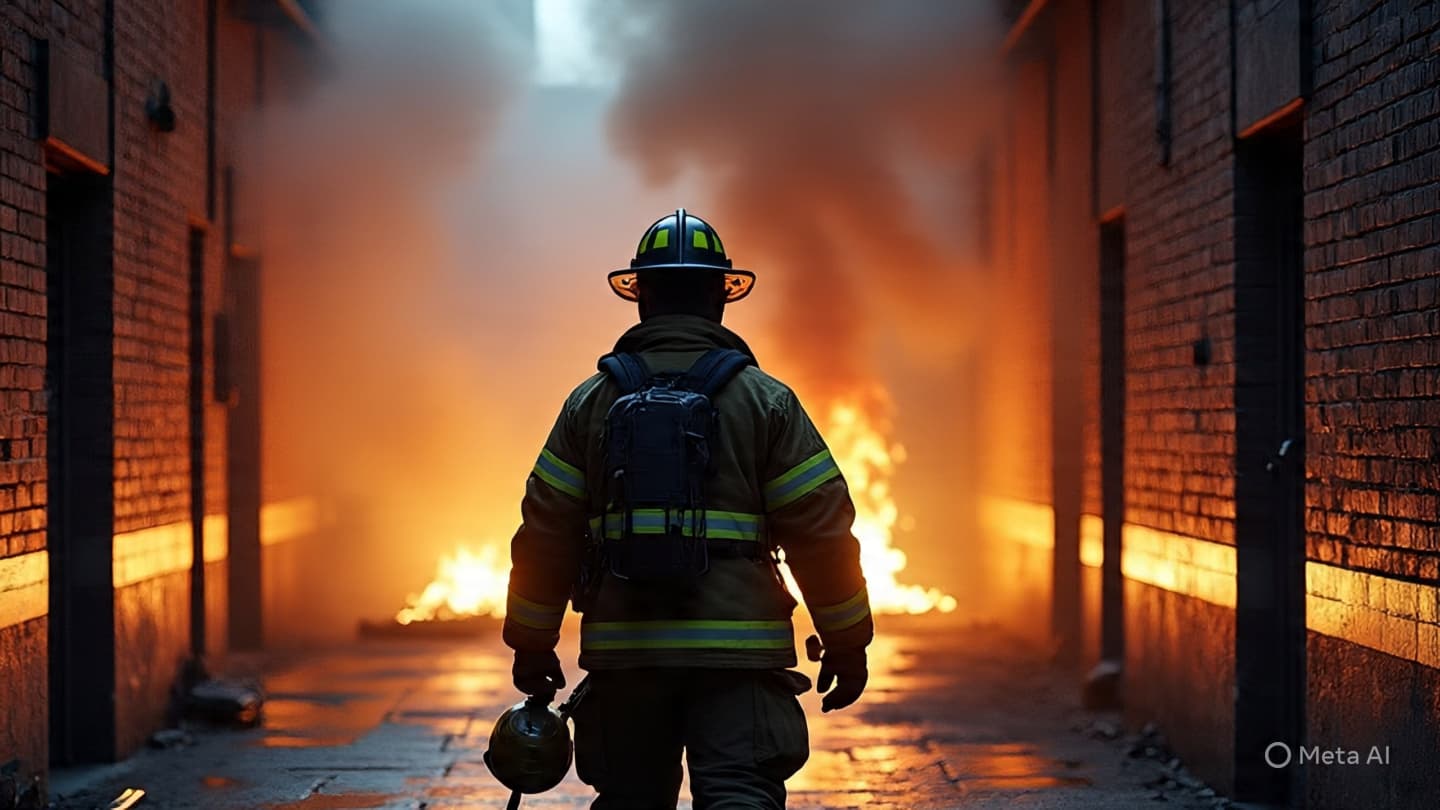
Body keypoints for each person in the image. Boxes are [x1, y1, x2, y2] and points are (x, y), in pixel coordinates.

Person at [503, 209, 873, 809]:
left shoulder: (589, 405)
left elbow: (546, 531)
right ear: (719, 298)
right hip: (741, 656)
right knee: (737, 793)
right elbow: (821, 531)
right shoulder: (767, 402)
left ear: (641, 298)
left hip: (626, 653)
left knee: (631, 798)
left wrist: (532, 641)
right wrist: (847, 638)